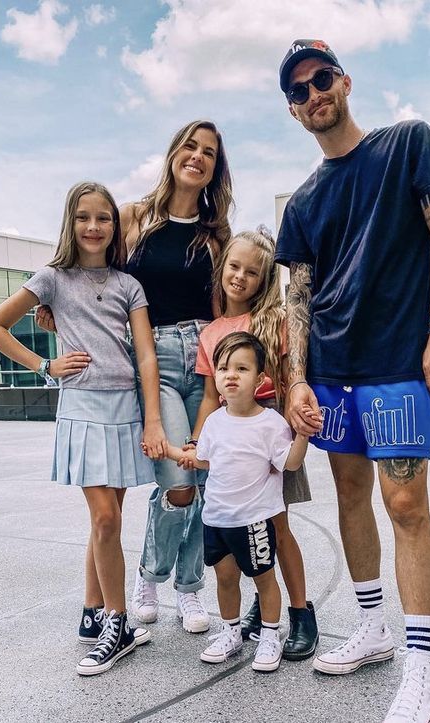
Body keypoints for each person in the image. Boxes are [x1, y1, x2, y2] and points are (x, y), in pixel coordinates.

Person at [275, 40, 430, 722]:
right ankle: (372, 626)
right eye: (297, 91)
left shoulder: (406, 144)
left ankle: (419, 667)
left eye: (320, 79)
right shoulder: (300, 204)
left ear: (344, 81)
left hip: (395, 363)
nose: (312, 94)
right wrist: (296, 380)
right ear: (292, 111)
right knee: (349, 494)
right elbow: (298, 296)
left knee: (406, 503)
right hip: (330, 372)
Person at [37, 120, 234, 634]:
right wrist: (53, 307)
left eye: (209, 152)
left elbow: (224, 306)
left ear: (216, 167)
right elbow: (91, 271)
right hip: (155, 356)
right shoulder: (134, 217)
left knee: (202, 475)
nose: (197, 156)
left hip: (204, 353)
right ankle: (148, 578)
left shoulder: (216, 234)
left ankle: (190, 591)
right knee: (176, 483)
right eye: (190, 146)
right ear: (173, 153)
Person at [0, 181, 165, 676]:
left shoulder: (129, 285)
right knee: (105, 519)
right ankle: (119, 623)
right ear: (71, 222)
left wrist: (152, 418)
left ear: (115, 224)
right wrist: (45, 365)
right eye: (84, 217)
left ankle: (92, 611)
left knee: (108, 520)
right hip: (81, 409)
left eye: (103, 218)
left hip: (125, 409)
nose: (93, 227)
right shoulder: (52, 279)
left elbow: (146, 355)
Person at [188, 227, 318, 659]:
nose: (241, 276)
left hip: (271, 432)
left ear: (264, 281)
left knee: (278, 530)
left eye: (253, 272)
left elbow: (289, 374)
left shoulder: (276, 320)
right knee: (238, 534)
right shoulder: (211, 334)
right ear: (222, 267)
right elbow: (210, 397)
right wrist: (197, 443)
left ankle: (300, 613)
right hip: (231, 445)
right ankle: (258, 615)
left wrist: (294, 424)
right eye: (235, 266)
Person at [165, 332, 309, 672]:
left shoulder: (271, 423)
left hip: (254, 520)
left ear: (260, 379)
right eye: (224, 367)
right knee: (225, 579)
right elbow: (202, 459)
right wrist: (170, 451)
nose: (231, 375)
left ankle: (270, 635)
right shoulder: (214, 422)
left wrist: (303, 434)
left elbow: (289, 463)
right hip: (216, 519)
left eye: (242, 368)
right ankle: (230, 631)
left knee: (263, 578)